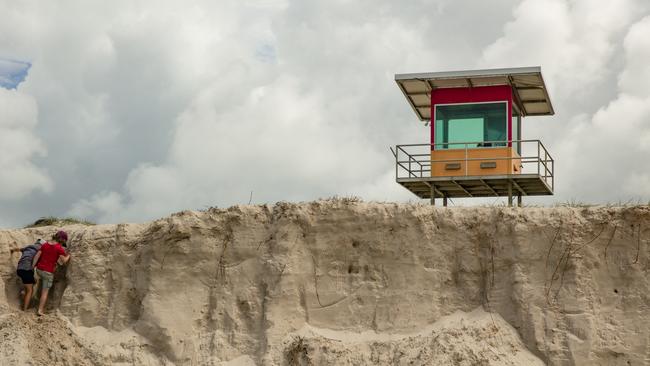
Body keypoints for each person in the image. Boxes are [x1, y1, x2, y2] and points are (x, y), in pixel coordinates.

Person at [31, 231, 71, 316]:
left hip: (39, 270)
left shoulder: (45, 245)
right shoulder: (59, 248)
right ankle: (40, 310)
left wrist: (32, 267)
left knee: (39, 283)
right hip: (47, 273)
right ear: (62, 240)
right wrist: (69, 256)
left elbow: (37, 256)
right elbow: (64, 261)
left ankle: (32, 298)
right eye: (64, 241)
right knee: (45, 292)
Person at [9, 239, 44, 311]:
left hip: (20, 269)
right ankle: (24, 309)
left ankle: (24, 293)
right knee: (30, 290)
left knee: (33, 281)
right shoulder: (40, 250)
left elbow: (17, 249)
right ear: (42, 245)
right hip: (27, 269)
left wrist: (11, 250)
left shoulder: (28, 247)